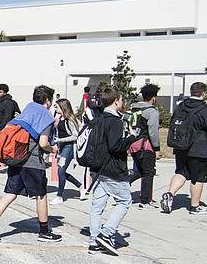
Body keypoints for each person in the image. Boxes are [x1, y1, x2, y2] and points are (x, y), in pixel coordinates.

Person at [0, 85, 62, 243]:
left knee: (11, 193)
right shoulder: (45, 115)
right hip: (32, 160)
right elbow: (43, 142)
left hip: (16, 158)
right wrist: (53, 148)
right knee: (41, 194)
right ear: (47, 100)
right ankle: (44, 231)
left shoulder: (28, 109)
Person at [87, 87, 140, 255]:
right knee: (124, 201)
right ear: (116, 100)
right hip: (112, 169)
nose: (122, 103)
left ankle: (93, 240)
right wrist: (131, 137)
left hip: (97, 168)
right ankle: (107, 233)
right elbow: (115, 145)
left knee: (98, 205)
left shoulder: (98, 118)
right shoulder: (115, 121)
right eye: (122, 100)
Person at [160, 82, 207, 215]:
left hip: (181, 146)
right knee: (197, 178)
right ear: (203, 94)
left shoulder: (181, 106)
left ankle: (170, 194)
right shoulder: (206, 110)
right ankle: (195, 206)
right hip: (199, 149)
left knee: (181, 172)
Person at [128, 84, 162, 209]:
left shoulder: (135, 109)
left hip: (134, 144)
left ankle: (125, 183)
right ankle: (145, 200)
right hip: (146, 145)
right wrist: (157, 149)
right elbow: (153, 132)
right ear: (154, 97)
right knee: (149, 172)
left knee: (140, 171)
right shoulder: (151, 112)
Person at [50, 98, 86, 204]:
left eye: (57, 106)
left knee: (60, 171)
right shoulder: (61, 118)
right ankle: (80, 186)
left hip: (69, 147)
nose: (55, 109)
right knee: (61, 171)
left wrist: (60, 140)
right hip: (62, 147)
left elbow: (75, 135)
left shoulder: (70, 120)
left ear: (63, 107)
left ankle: (59, 196)